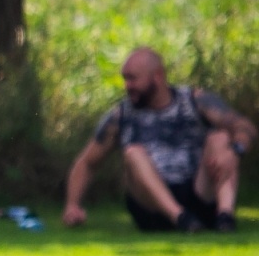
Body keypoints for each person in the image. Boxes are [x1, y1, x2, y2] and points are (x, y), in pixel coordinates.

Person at [63, 47, 249, 233]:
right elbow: (87, 162)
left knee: (221, 138)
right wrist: (72, 205)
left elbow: (244, 127)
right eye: (125, 79)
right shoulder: (121, 115)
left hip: (198, 193)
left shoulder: (194, 100)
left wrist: (236, 151)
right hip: (151, 208)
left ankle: (225, 217)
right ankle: (180, 218)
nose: (128, 86)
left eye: (133, 78)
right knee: (132, 153)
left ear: (157, 76)